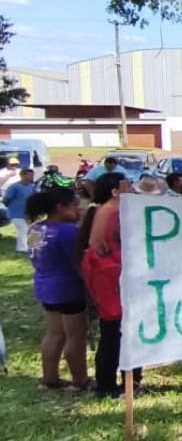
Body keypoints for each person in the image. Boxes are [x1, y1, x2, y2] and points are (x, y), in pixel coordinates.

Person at [80, 173, 142, 399]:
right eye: (128, 186)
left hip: (108, 274)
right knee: (117, 331)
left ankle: (112, 382)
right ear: (117, 191)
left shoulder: (103, 209)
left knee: (113, 330)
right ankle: (112, 383)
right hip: (111, 276)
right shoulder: (116, 211)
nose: (133, 190)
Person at [27, 186, 89, 391]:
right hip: (68, 288)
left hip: (44, 285)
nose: (78, 209)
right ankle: (80, 379)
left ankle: (49, 377)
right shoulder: (68, 232)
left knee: (54, 333)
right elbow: (78, 263)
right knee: (76, 335)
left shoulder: (35, 228)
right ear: (60, 207)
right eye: (74, 206)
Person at [4, 168, 36, 254]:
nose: (32, 177)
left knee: (32, 230)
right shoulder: (14, 187)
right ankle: (22, 249)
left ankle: (32, 247)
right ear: (23, 175)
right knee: (23, 230)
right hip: (16, 214)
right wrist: (13, 207)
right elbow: (6, 200)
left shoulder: (31, 187)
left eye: (32, 175)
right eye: (30, 175)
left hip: (27, 214)